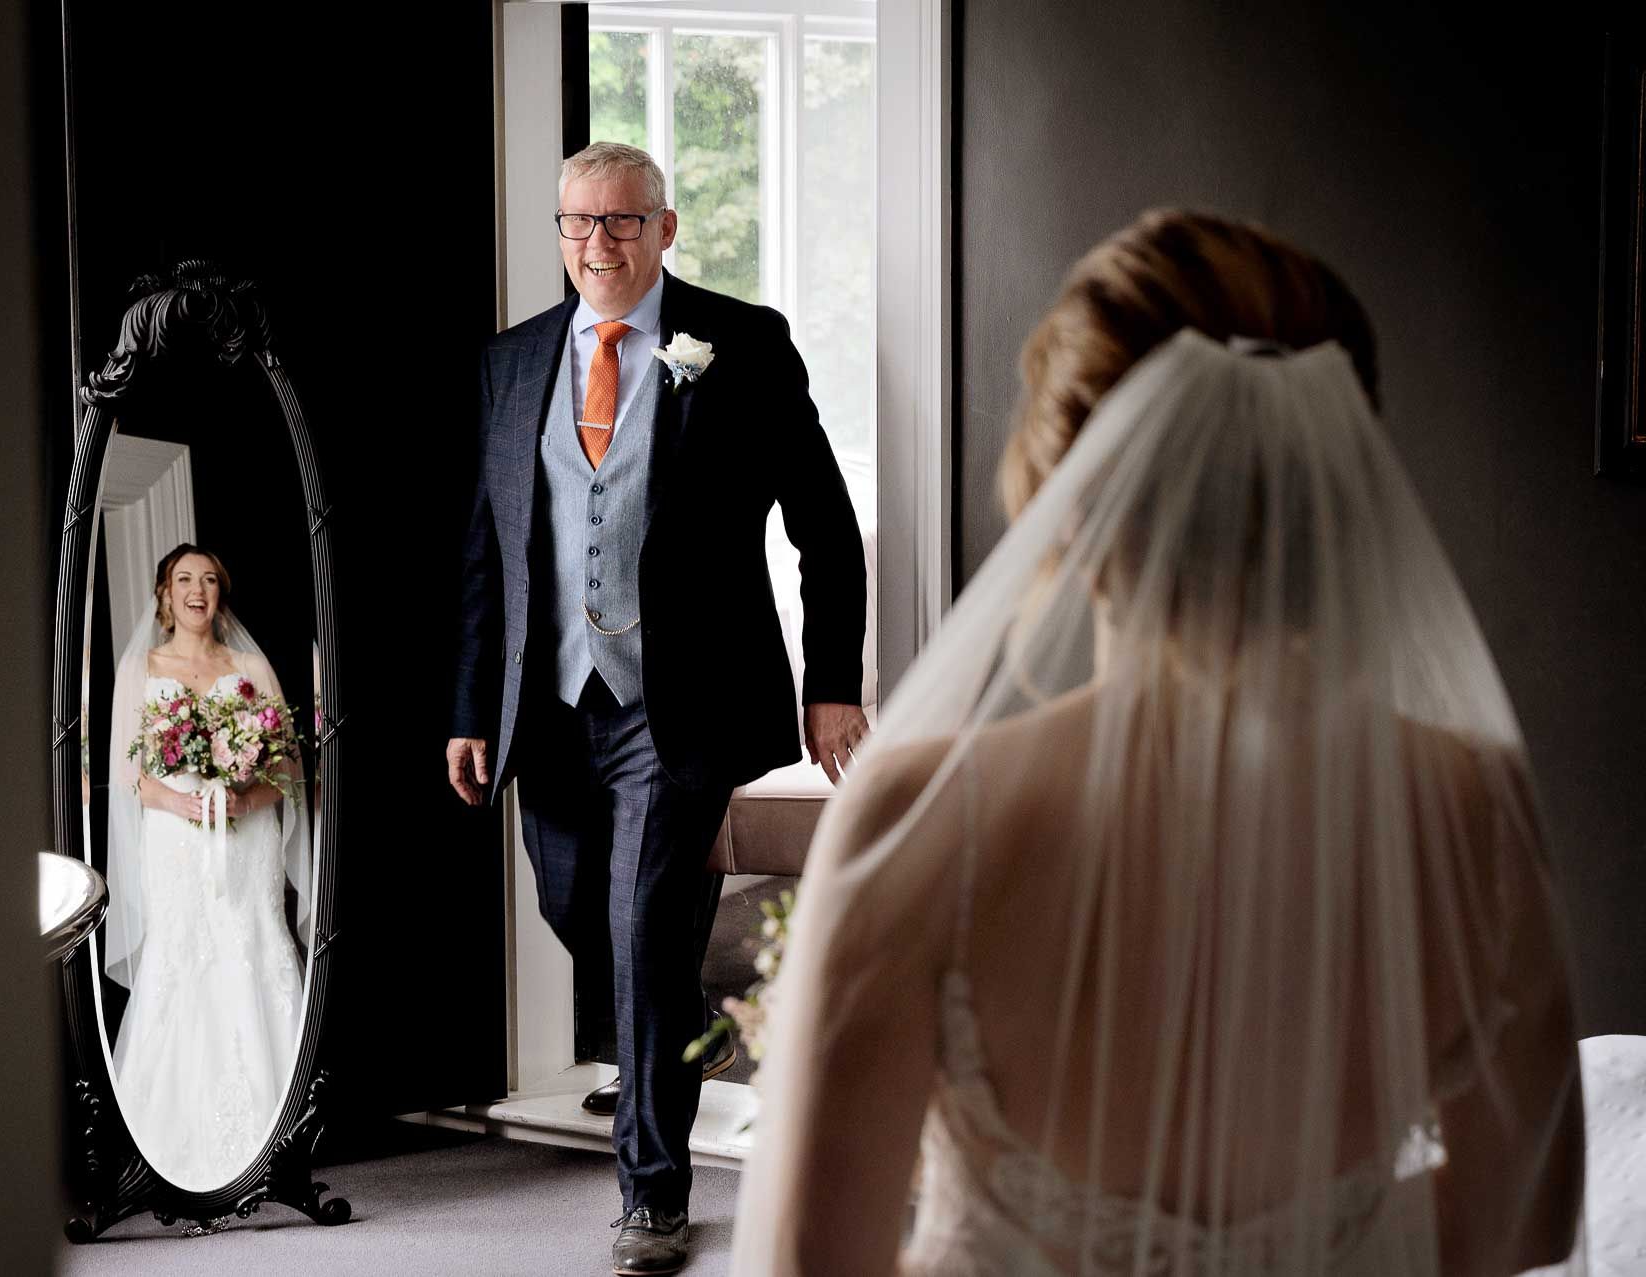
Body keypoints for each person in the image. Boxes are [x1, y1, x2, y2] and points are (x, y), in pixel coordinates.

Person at [732, 210, 1587, 1275]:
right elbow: (1526, 1217)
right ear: (1338, 475)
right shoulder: (1473, 804)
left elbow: (811, 1261)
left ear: (1065, 491)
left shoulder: (924, 809)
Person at [447, 140, 869, 1276]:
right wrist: (471, 704)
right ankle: (687, 1015)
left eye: (623, 222)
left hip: (676, 710)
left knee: (638, 934)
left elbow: (824, 522)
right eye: (577, 223)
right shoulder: (513, 360)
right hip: (553, 700)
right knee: (584, 910)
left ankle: (652, 1196)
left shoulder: (744, 343)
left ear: (667, 229)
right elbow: (494, 546)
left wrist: (833, 682)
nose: (599, 244)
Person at [104, 543, 313, 1191]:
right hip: (175, 838)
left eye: (211, 579)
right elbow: (126, 775)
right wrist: (182, 802)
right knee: (183, 957)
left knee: (253, 947)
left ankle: (273, 1139)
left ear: (222, 593)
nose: (198, 589)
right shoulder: (142, 665)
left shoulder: (249, 665)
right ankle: (169, 1144)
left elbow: (287, 766)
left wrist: (244, 795)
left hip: (244, 835)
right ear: (164, 595)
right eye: (185, 579)